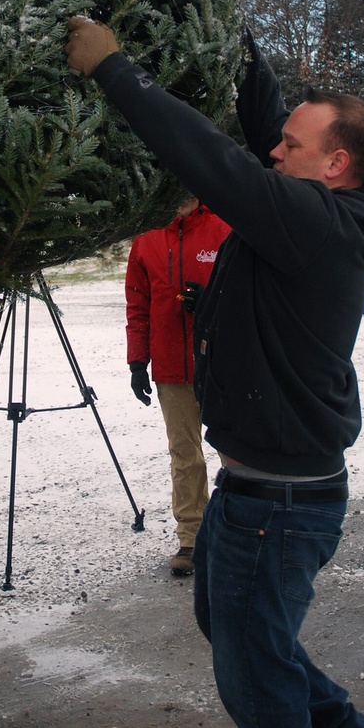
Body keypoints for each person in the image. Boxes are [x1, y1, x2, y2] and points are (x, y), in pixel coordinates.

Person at [66, 17, 364, 728]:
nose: (273, 149)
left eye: (291, 145)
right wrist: (235, 28)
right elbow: (259, 126)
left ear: (333, 164)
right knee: (235, 626)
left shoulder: (310, 224)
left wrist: (116, 72)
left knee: (253, 671)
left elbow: (213, 158)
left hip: (279, 502)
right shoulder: (317, 202)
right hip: (255, 488)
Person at [125, 197, 230, 575]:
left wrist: (209, 305)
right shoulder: (147, 237)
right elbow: (137, 304)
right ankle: (191, 537)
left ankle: (240, 531)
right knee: (185, 454)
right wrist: (138, 361)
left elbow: (245, 293)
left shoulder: (223, 229)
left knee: (234, 452)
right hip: (171, 366)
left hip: (222, 362)